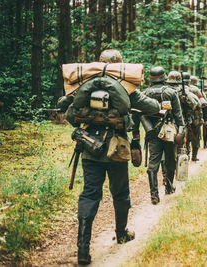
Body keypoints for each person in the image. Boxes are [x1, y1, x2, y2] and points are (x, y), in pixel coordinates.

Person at [74, 50, 161, 265]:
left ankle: (83, 250)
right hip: (116, 149)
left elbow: (66, 105)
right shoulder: (125, 87)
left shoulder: (86, 84)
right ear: (118, 65)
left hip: (89, 147)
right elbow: (152, 106)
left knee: (89, 194)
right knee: (120, 193)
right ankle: (121, 234)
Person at [140, 67, 185, 205]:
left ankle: (154, 195)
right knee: (170, 159)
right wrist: (181, 131)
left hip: (152, 132)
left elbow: (138, 113)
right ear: (164, 77)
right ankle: (169, 187)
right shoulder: (171, 92)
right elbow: (178, 114)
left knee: (153, 162)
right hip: (169, 131)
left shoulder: (144, 93)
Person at [183, 73, 206, 161]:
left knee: (186, 136)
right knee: (196, 137)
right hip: (196, 118)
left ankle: (187, 155)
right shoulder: (196, 90)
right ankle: (194, 156)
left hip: (184, 118)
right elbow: (204, 104)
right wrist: (205, 119)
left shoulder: (177, 89)